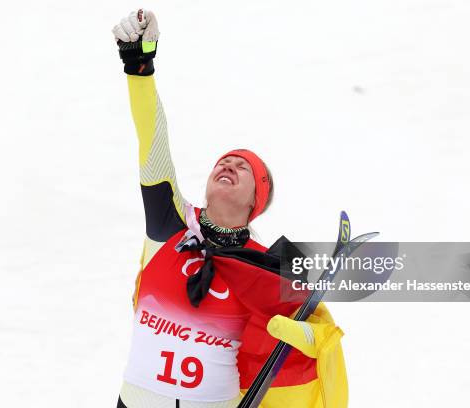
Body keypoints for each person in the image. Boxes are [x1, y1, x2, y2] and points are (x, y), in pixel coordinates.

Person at [112, 9, 348, 408]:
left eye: (244, 168)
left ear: (256, 202)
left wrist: (305, 338)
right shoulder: (170, 225)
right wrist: (140, 66)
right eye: (224, 160)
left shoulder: (267, 268)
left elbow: (320, 341)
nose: (229, 165)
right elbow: (152, 141)